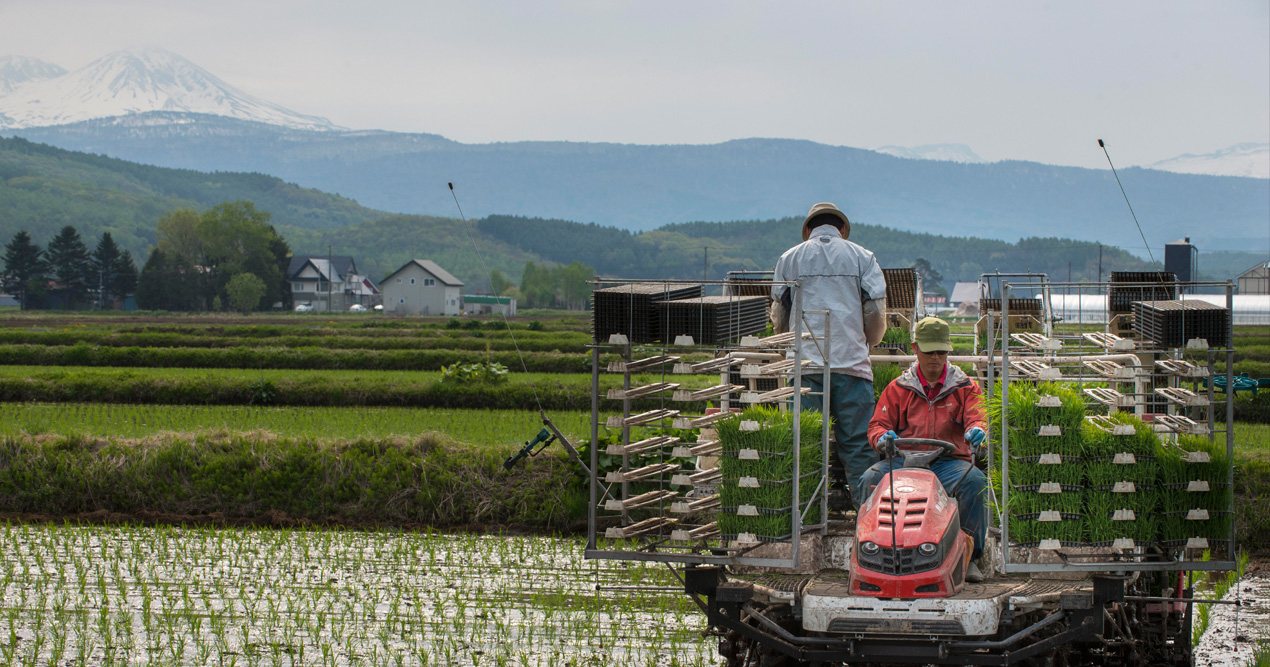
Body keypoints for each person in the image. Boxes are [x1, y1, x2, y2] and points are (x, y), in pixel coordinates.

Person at [772, 202, 887, 509]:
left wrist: (788, 344)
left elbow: (780, 314)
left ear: (808, 229)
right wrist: (869, 342)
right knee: (859, 447)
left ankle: (805, 517)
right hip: (852, 366)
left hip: (805, 367)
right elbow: (875, 312)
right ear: (843, 229)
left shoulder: (790, 258)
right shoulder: (863, 257)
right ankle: (868, 518)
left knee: (806, 444)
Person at [862, 316, 990, 582]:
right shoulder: (898, 389)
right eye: (929, 351)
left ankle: (970, 556)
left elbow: (978, 417)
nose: (935, 357)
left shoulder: (965, 387)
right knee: (871, 479)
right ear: (915, 348)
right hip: (904, 461)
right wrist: (883, 438)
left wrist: (977, 431)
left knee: (975, 482)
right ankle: (872, 551)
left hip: (948, 463)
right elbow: (877, 425)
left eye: (941, 352)